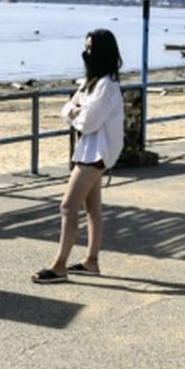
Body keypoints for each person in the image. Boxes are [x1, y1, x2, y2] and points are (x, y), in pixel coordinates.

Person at [32, 29, 125, 284]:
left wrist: (75, 112)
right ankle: (91, 260)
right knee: (92, 208)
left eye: (91, 48)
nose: (86, 53)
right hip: (90, 150)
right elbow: (68, 108)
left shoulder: (105, 85)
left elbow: (88, 122)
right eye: (86, 47)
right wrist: (76, 111)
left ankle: (60, 265)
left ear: (102, 52)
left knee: (67, 206)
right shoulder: (91, 82)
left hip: (96, 152)